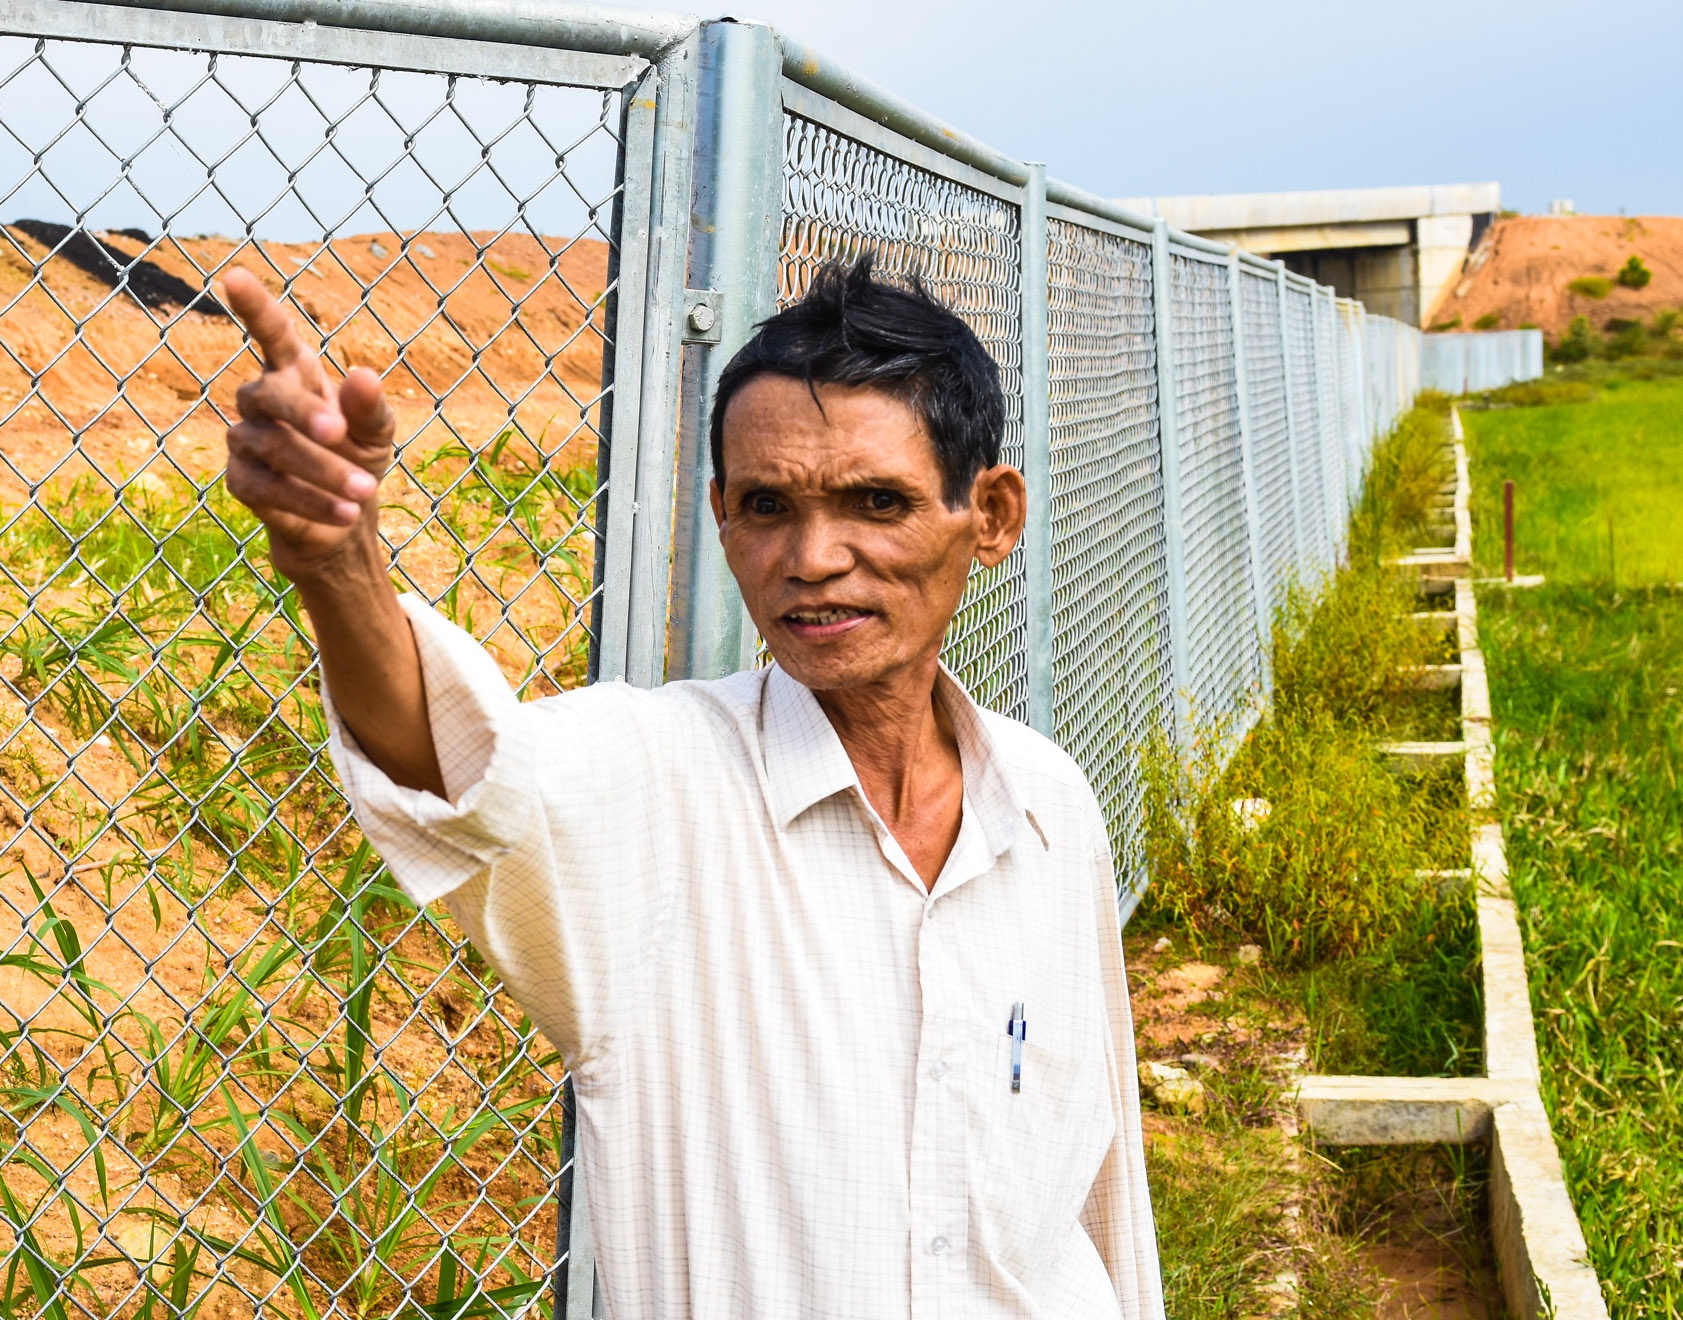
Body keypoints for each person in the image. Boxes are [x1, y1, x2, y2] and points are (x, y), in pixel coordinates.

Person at [220, 256, 1164, 1320]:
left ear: (987, 516)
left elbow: (1098, 1191)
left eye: (874, 502)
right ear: (719, 516)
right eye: (766, 505)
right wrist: (340, 565)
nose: (811, 557)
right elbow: (465, 773)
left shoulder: (1045, 807)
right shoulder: (657, 785)